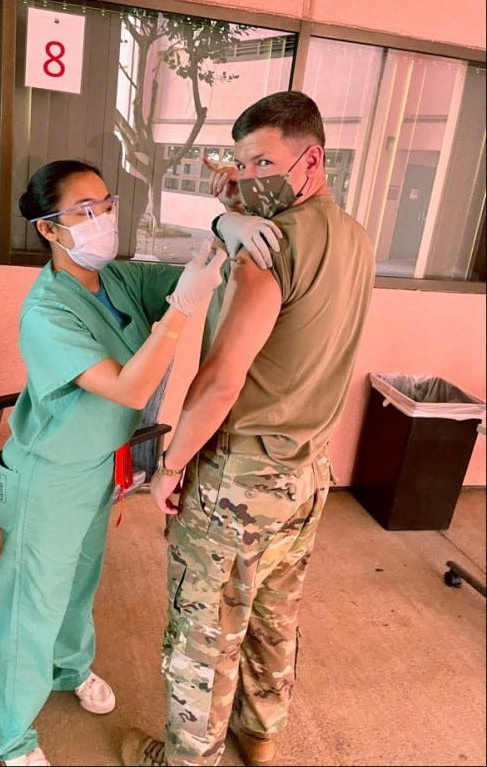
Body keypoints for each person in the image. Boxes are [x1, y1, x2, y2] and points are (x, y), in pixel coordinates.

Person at [0, 158, 281, 767]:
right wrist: (181, 312)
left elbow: (189, 272)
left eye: (107, 205)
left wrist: (230, 225)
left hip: (100, 470)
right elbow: (128, 388)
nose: (102, 221)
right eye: (84, 213)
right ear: (49, 229)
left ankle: (69, 668)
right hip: (49, 477)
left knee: (79, 582)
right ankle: (8, 734)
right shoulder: (47, 312)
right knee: (30, 602)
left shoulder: (113, 280)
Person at [121, 91, 376, 767]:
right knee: (273, 616)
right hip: (306, 473)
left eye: (263, 159)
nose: (247, 175)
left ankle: (185, 760)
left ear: (312, 159)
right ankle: (258, 736)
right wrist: (228, 208)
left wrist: (171, 465)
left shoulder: (270, 247)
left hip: (238, 478)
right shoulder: (353, 237)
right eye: (238, 163)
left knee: (203, 634)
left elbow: (221, 379)